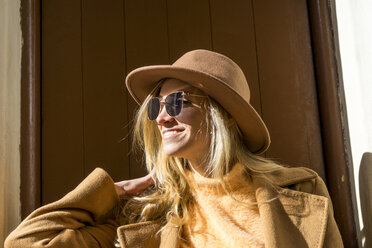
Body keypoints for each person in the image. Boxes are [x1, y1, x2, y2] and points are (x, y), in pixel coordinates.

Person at [5, 49, 343, 247]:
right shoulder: (149, 212)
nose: (161, 117)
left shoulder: (300, 191)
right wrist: (114, 191)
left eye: (178, 102)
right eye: (156, 106)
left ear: (222, 115)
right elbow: (24, 243)